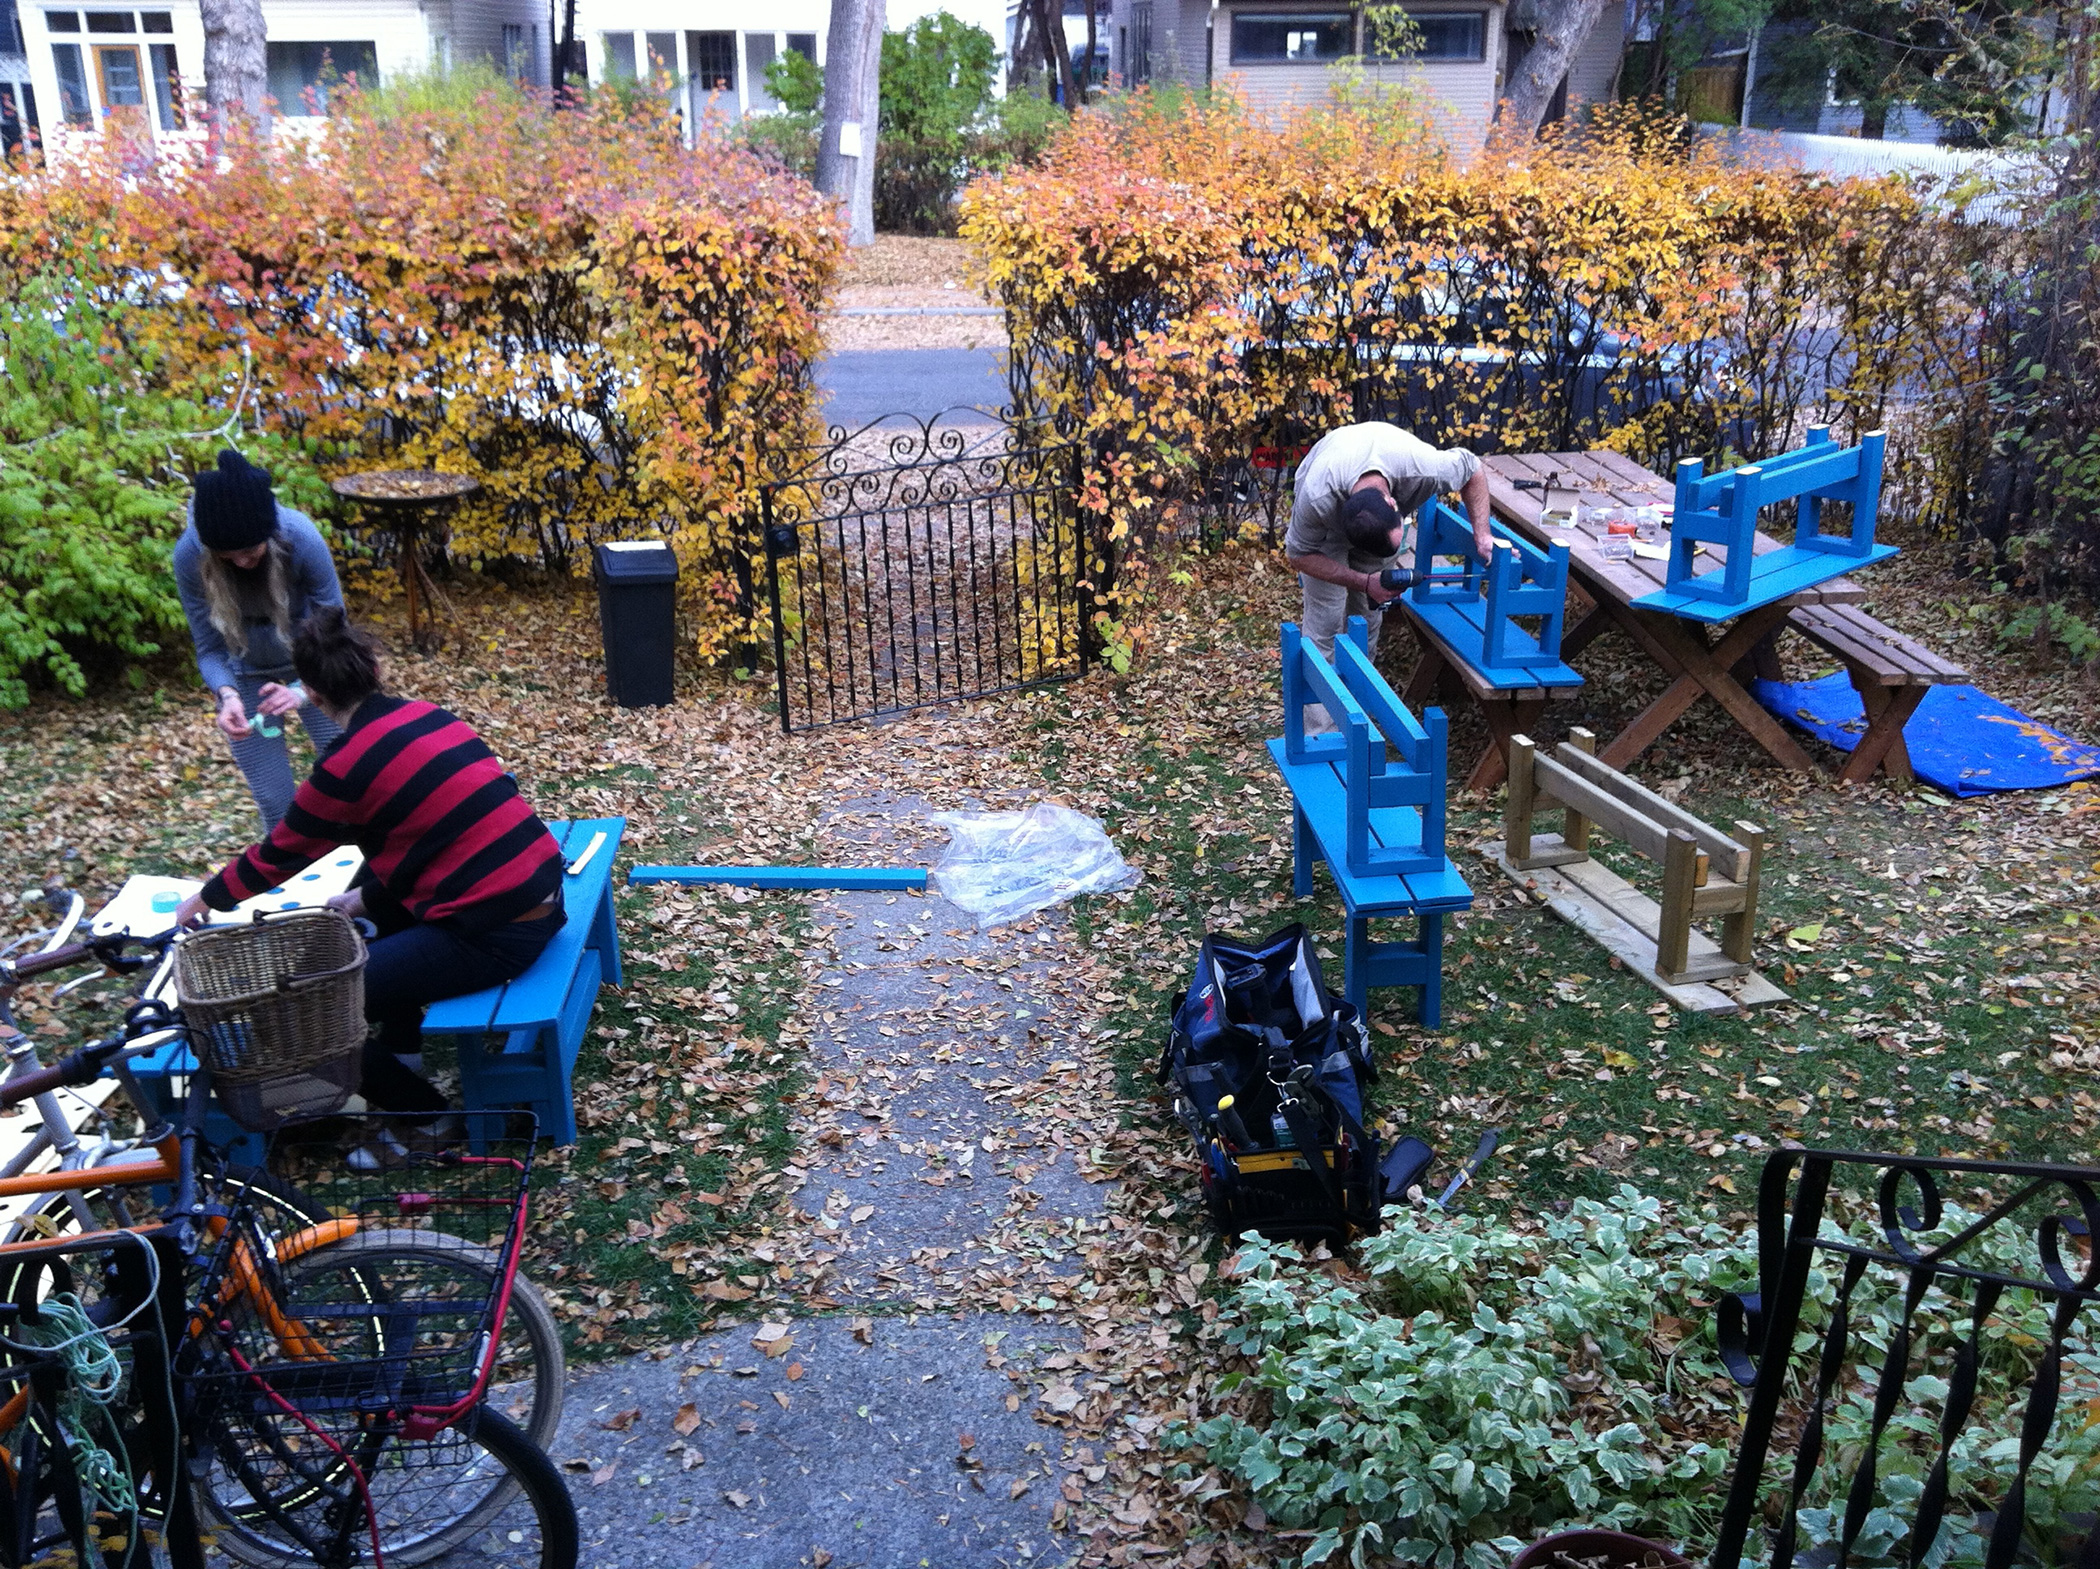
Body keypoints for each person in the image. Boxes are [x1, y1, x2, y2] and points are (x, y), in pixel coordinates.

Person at [175, 609, 565, 1130]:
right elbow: (436, 843)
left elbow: (277, 856)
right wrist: (364, 900)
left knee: (313, 1011)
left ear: (313, 695)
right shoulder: (430, 716)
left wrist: (201, 900)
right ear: (375, 671)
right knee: (363, 901)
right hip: (537, 894)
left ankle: (432, 1122)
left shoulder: (344, 769)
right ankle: (403, 1050)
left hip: (496, 933)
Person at [173, 448, 348, 835]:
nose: (241, 562)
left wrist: (304, 689)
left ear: (268, 535)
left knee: (350, 775)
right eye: (227, 556)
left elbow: (335, 626)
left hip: (314, 659)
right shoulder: (189, 556)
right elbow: (209, 649)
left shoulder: (300, 537)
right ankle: (288, 868)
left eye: (250, 551)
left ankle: (366, 862)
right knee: (274, 799)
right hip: (245, 670)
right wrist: (228, 695)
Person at [1283, 421, 1496, 685]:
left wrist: (1482, 535)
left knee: (1366, 616)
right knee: (1325, 619)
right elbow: (1298, 555)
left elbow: (1472, 468)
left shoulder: (1424, 468)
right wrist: (1363, 581)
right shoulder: (1317, 497)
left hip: (1379, 459)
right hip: (1327, 526)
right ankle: (1320, 708)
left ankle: (1358, 694)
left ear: (1392, 501)